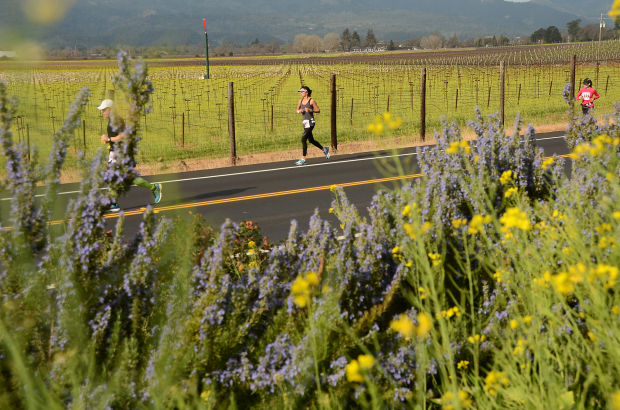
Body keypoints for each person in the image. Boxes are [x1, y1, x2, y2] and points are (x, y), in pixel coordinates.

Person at [98, 99, 162, 212]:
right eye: (102, 110)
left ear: (110, 109)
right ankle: (114, 202)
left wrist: (108, 139)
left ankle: (154, 188)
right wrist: (110, 145)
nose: (102, 112)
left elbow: (123, 136)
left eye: (104, 110)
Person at [295, 86, 330, 166]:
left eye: (302, 92)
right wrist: (299, 111)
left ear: (306, 92)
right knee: (311, 140)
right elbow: (296, 110)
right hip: (304, 122)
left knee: (303, 139)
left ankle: (303, 159)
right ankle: (324, 149)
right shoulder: (300, 101)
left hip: (311, 122)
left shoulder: (311, 101)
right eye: (300, 92)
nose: (301, 93)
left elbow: (318, 110)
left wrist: (311, 110)